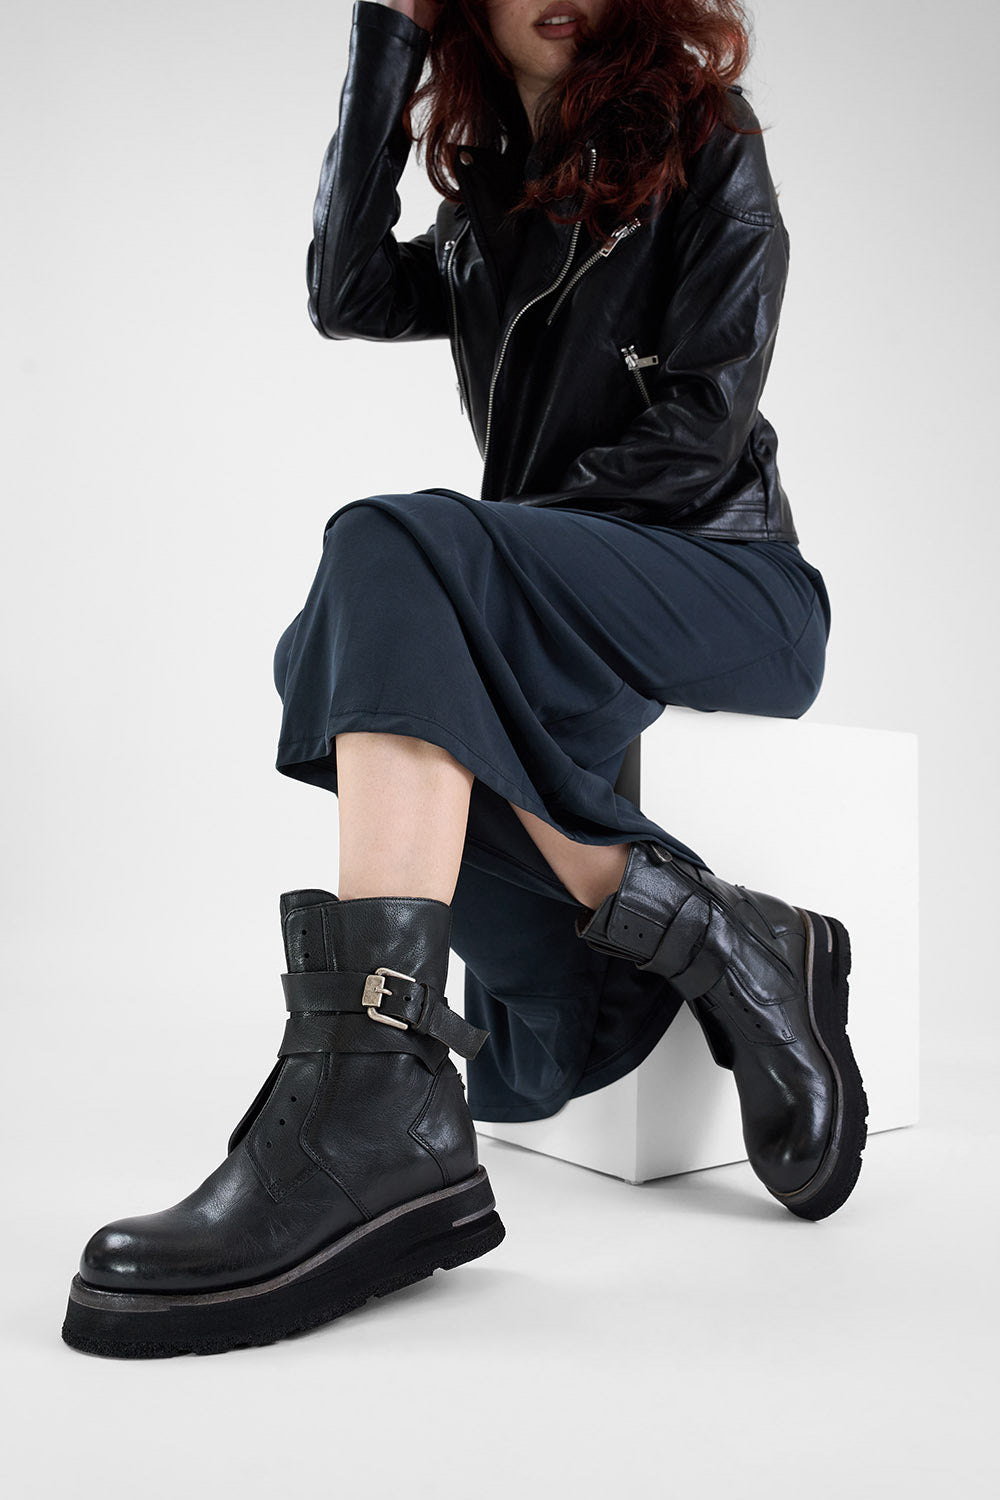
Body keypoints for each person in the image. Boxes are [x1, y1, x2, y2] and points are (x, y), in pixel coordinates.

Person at [61, 0, 868, 1361]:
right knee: (345, 645)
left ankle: (377, 1101)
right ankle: (705, 935)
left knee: (389, 560)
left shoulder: (705, 140)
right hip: (547, 601)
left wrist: (477, 573)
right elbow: (344, 292)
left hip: (724, 586)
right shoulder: (488, 202)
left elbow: (700, 428)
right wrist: (385, 42)